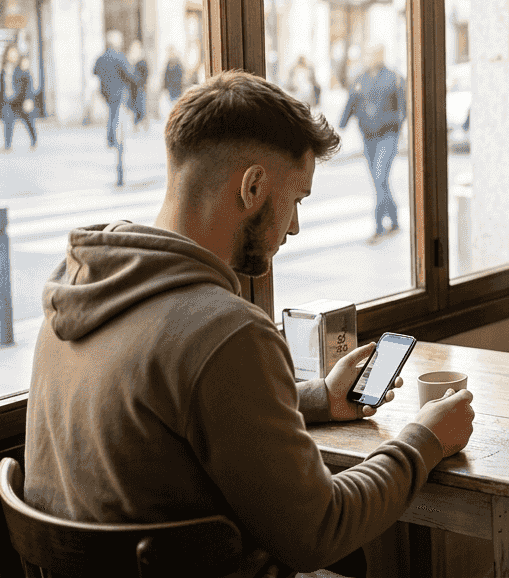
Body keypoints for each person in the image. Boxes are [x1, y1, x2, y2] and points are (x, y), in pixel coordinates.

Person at [23, 71, 476, 578]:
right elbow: (319, 532)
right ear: (254, 185)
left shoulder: (75, 289)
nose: (296, 226)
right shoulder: (227, 333)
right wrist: (424, 439)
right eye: (298, 198)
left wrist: (318, 399)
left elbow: (174, 417)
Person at [340, 46, 406, 242]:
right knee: (381, 181)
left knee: (379, 177)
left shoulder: (394, 77)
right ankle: (394, 221)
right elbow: (351, 102)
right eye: (367, 54)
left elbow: (403, 106)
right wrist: (339, 126)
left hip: (388, 135)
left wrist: (400, 128)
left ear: (381, 55)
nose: (368, 58)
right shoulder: (360, 79)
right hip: (368, 138)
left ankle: (378, 227)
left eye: (372, 54)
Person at [93, 30, 135, 147]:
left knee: (112, 113)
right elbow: (129, 74)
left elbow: (94, 71)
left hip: (105, 90)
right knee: (115, 114)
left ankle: (111, 137)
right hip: (118, 90)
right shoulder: (119, 56)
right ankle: (112, 138)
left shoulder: (101, 57)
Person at [1, 44, 37, 151]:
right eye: (10, 54)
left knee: (28, 121)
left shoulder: (22, 67)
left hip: (20, 99)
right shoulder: (4, 68)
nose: (12, 56)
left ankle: (34, 140)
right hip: (8, 100)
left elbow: (28, 83)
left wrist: (29, 98)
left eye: (14, 54)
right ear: (6, 55)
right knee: (8, 122)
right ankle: (7, 145)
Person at [129, 39, 150, 131]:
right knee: (134, 106)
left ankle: (143, 124)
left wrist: (141, 82)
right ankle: (136, 125)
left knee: (141, 106)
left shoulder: (142, 61)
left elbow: (146, 74)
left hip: (140, 87)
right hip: (132, 88)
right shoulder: (130, 60)